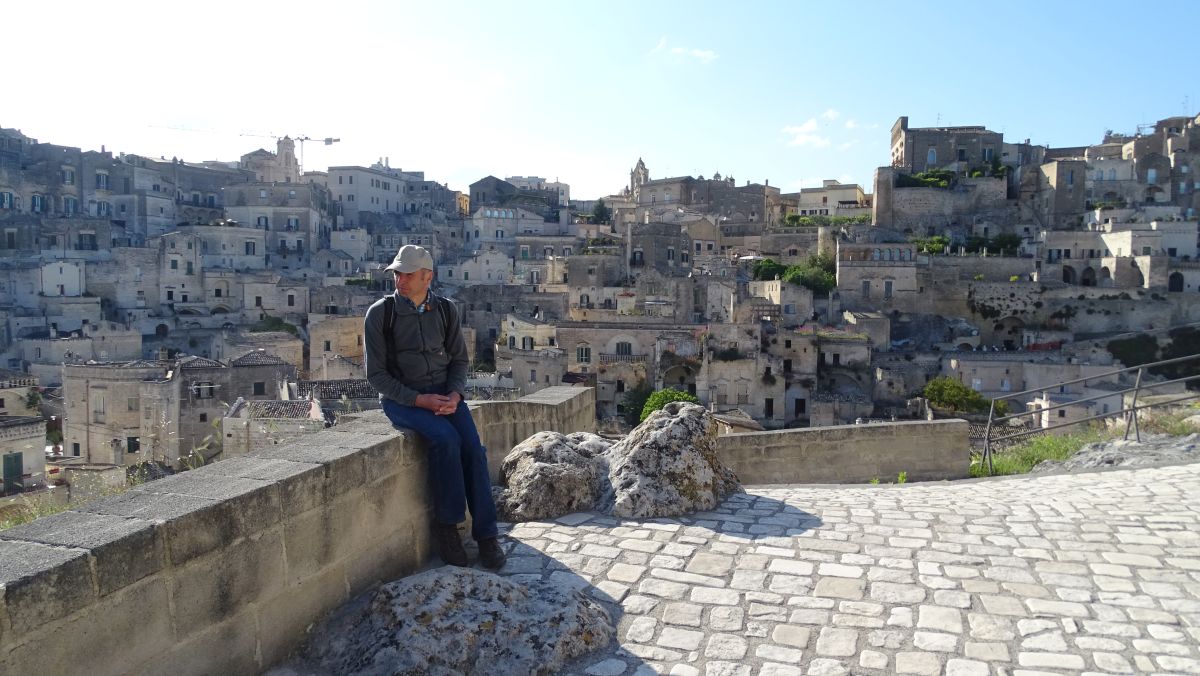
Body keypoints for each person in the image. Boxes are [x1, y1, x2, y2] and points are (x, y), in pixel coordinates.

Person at [364, 244, 505, 570]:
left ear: (427, 276)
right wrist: (418, 399)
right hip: (403, 400)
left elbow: (459, 361)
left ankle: (487, 535)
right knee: (446, 440)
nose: (399, 279)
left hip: (444, 396)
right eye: (397, 273)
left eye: (407, 274)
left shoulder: (445, 310)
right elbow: (376, 376)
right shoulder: (380, 315)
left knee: (474, 449)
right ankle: (448, 528)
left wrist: (455, 394)